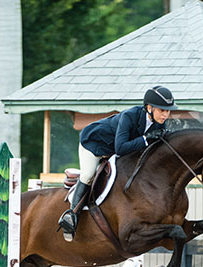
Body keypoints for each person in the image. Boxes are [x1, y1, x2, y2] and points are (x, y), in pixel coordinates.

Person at [58, 85, 178, 241]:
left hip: (114, 149)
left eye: (167, 111)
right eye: (162, 110)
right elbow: (121, 148)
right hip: (94, 144)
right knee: (88, 175)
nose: (165, 114)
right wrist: (145, 139)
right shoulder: (130, 116)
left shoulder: (159, 123)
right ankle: (71, 216)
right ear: (149, 108)